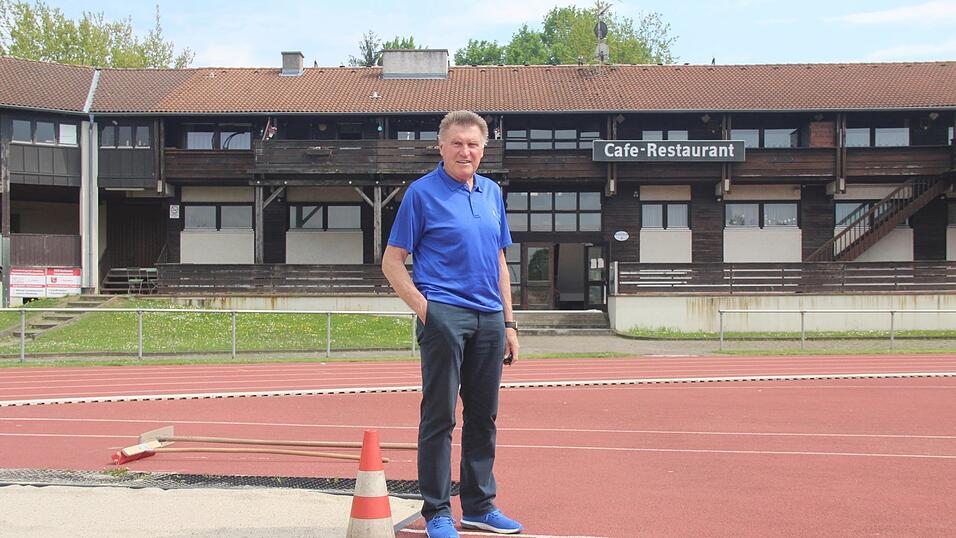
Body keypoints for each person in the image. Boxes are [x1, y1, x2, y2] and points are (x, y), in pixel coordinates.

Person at [382, 110, 523, 537]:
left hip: (490, 318)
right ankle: (438, 512)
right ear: (441, 147)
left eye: (474, 144)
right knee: (440, 417)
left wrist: (511, 322)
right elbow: (392, 263)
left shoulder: (492, 193)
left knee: (483, 417)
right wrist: (428, 310)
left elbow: (500, 262)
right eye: (458, 143)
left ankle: (479, 505)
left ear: (484, 149)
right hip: (445, 312)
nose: (466, 151)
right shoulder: (421, 194)